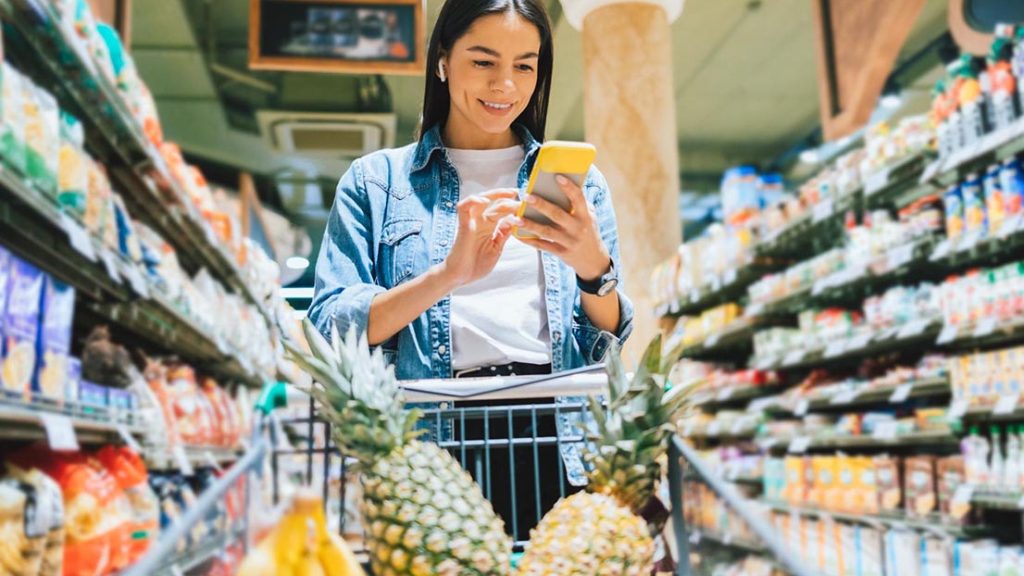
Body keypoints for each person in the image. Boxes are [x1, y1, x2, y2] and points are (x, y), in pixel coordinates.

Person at [309, 0, 634, 542]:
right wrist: (448, 275)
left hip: (555, 437)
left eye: (525, 65)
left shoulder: (580, 184)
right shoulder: (376, 182)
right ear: (442, 61)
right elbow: (330, 327)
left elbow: (608, 337)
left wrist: (592, 270)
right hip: (426, 439)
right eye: (483, 61)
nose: (505, 84)